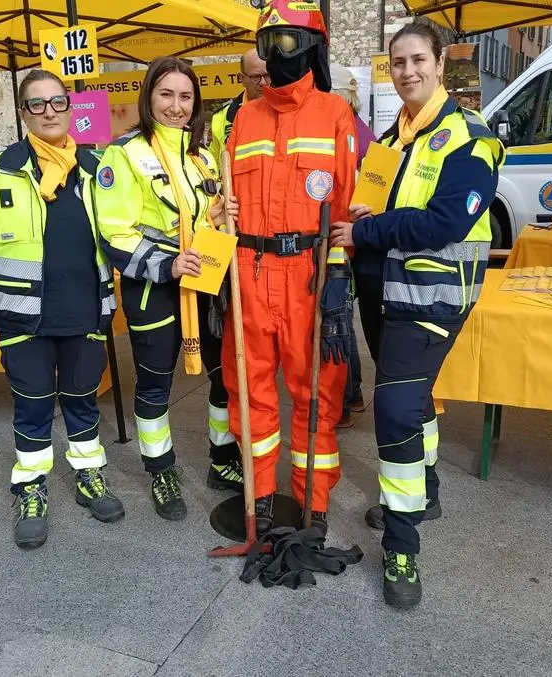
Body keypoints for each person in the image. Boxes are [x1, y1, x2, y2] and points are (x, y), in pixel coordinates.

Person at [330, 22, 504, 607]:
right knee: (416, 398)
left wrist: (366, 229)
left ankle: (403, 545)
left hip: (431, 299)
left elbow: (446, 223)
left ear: (439, 64)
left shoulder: (469, 140)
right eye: (398, 62)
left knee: (396, 408)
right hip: (384, 293)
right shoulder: (393, 135)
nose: (407, 71)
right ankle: (424, 490)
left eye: (417, 60)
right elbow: (369, 199)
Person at [0, 70, 122, 549]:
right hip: (22, 313)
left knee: (82, 399)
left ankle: (90, 475)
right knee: (31, 405)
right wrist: (0, 284)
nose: (49, 111)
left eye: (57, 102)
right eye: (37, 104)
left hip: (86, 308)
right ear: (22, 112)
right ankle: (30, 488)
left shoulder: (97, 169)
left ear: (71, 108)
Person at [223, 0, 357, 536]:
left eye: (288, 42)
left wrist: (338, 279)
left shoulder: (335, 114)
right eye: (268, 43)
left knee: (316, 394)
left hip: (310, 275)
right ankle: (258, 500)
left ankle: (313, 505)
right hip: (250, 273)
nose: (277, 55)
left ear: (312, 49)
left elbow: (344, 205)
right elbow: (226, 198)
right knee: (250, 393)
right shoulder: (244, 118)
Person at [97, 56, 240, 522]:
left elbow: (198, 220)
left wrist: (216, 216)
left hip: (206, 283)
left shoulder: (201, 156)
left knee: (223, 378)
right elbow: (114, 232)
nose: (176, 106)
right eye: (166, 95)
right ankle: (160, 469)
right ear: (148, 97)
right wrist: (167, 264)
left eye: (185, 96)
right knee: (155, 386)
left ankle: (222, 460)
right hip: (155, 289)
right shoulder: (123, 154)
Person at [329, 63, 374, 428]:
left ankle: (345, 398)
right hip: (354, 240)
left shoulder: (346, 133)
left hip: (343, 240)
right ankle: (352, 393)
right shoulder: (364, 131)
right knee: (342, 319)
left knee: (338, 320)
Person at [210, 49, 269, 162]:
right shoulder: (223, 116)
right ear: (241, 78)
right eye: (255, 77)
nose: (263, 83)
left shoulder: (288, 110)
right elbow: (215, 162)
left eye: (267, 75)